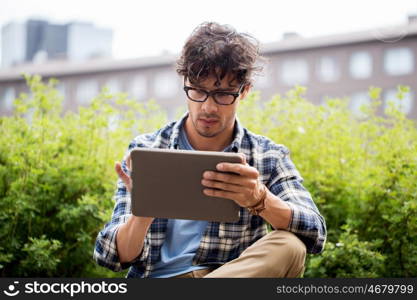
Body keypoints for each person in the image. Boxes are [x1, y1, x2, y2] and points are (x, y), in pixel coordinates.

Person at [93, 22, 326, 278]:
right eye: (199, 91)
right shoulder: (147, 149)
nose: (208, 107)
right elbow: (111, 257)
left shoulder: (268, 156)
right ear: (186, 84)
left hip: (231, 277)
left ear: (244, 91)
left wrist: (259, 199)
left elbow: (315, 233)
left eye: (223, 94)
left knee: (290, 246)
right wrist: (143, 213)